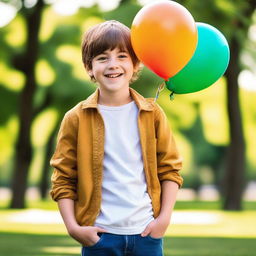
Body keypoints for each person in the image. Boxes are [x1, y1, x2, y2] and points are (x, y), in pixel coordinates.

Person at [50, 20, 183, 256]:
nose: (113, 65)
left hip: (146, 235)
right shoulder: (75, 118)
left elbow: (170, 170)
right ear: (89, 67)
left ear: (135, 63)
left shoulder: (152, 115)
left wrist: (163, 220)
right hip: (100, 237)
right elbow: (63, 178)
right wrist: (73, 228)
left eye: (122, 56)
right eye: (102, 58)